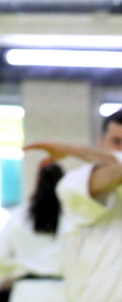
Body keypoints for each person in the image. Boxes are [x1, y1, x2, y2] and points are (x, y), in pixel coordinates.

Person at [24, 109, 122, 302]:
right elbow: (112, 173)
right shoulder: (76, 181)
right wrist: (77, 151)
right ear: (101, 142)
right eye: (117, 142)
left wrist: (75, 150)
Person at [0, 163, 65, 302]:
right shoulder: (73, 218)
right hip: (64, 291)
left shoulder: (18, 216)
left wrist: (10, 273)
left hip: (27, 292)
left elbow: (0, 254)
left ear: (36, 180)